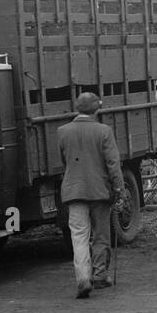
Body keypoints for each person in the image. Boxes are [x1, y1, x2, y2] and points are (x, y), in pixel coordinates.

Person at [58, 92, 124, 299]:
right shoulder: (104, 131)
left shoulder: (63, 131)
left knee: (79, 236)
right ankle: (100, 275)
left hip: (74, 190)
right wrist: (119, 189)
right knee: (101, 235)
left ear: (77, 108)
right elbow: (113, 163)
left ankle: (83, 279)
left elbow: (64, 160)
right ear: (97, 109)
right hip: (99, 191)